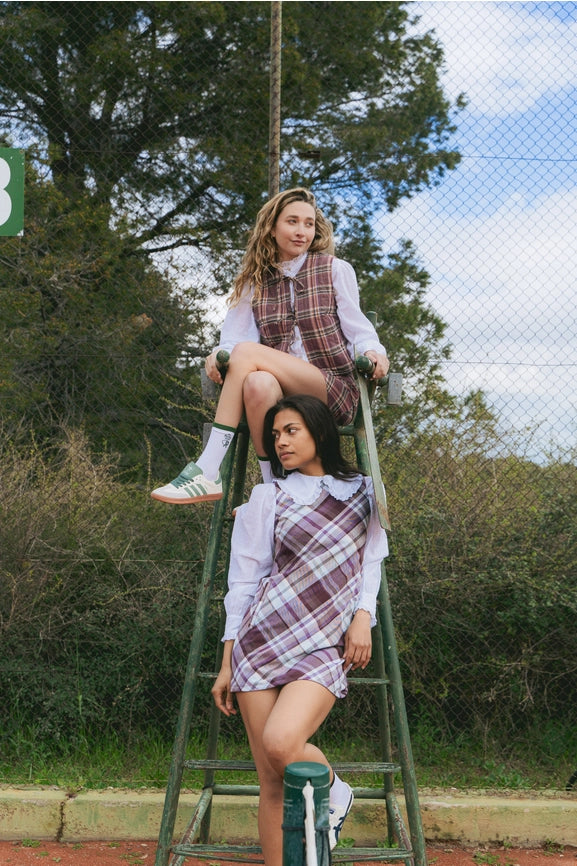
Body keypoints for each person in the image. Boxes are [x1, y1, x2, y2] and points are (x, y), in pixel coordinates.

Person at [211, 394, 389, 866]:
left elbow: (372, 560)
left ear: (319, 432)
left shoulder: (365, 490)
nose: (281, 442)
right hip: (260, 641)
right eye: (275, 435)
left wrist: (363, 617)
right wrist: (227, 661)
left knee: (282, 743)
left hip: (323, 644)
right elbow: (243, 580)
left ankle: (334, 790)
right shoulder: (267, 497)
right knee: (271, 783)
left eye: (291, 431)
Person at [151, 187, 389, 504]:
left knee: (246, 354)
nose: (302, 231)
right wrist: (217, 354)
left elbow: (358, 328)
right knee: (257, 383)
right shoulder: (255, 280)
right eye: (292, 222)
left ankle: (207, 468)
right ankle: (274, 490)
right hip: (279, 397)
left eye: (308, 224)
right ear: (272, 228)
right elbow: (235, 339)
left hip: (331, 390)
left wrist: (374, 352)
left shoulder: (334, 269)